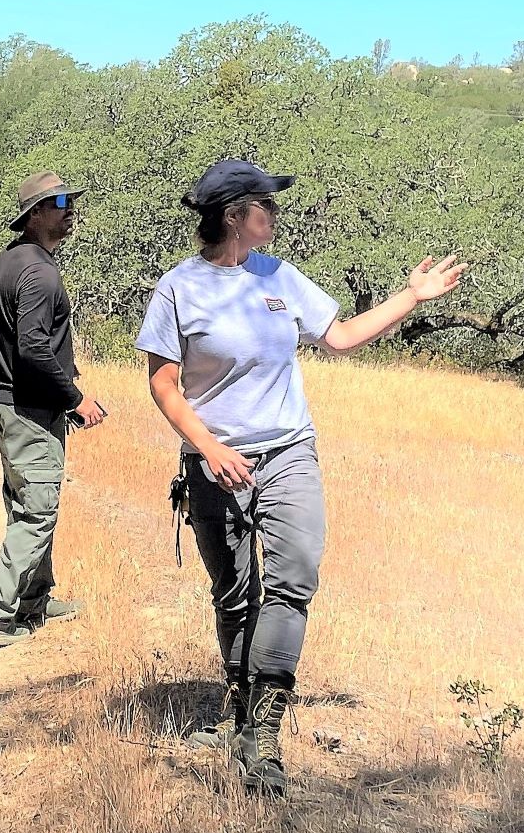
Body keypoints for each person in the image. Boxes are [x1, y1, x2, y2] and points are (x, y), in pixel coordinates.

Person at [135, 159, 465, 796]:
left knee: (291, 582)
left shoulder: (277, 275)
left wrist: (409, 299)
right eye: (266, 204)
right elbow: (162, 384)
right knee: (234, 592)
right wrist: (207, 448)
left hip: (289, 452)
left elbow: (338, 337)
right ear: (235, 216)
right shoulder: (179, 288)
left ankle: (263, 729)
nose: (275, 215)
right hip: (215, 465)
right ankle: (236, 706)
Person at [0, 171, 107, 650]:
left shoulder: (10, 262)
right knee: (37, 511)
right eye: (60, 202)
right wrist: (75, 399)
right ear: (34, 215)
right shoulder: (39, 272)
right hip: (27, 408)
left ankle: (35, 599)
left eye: (69, 200)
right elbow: (32, 349)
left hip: (9, 401)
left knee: (25, 500)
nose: (70, 209)